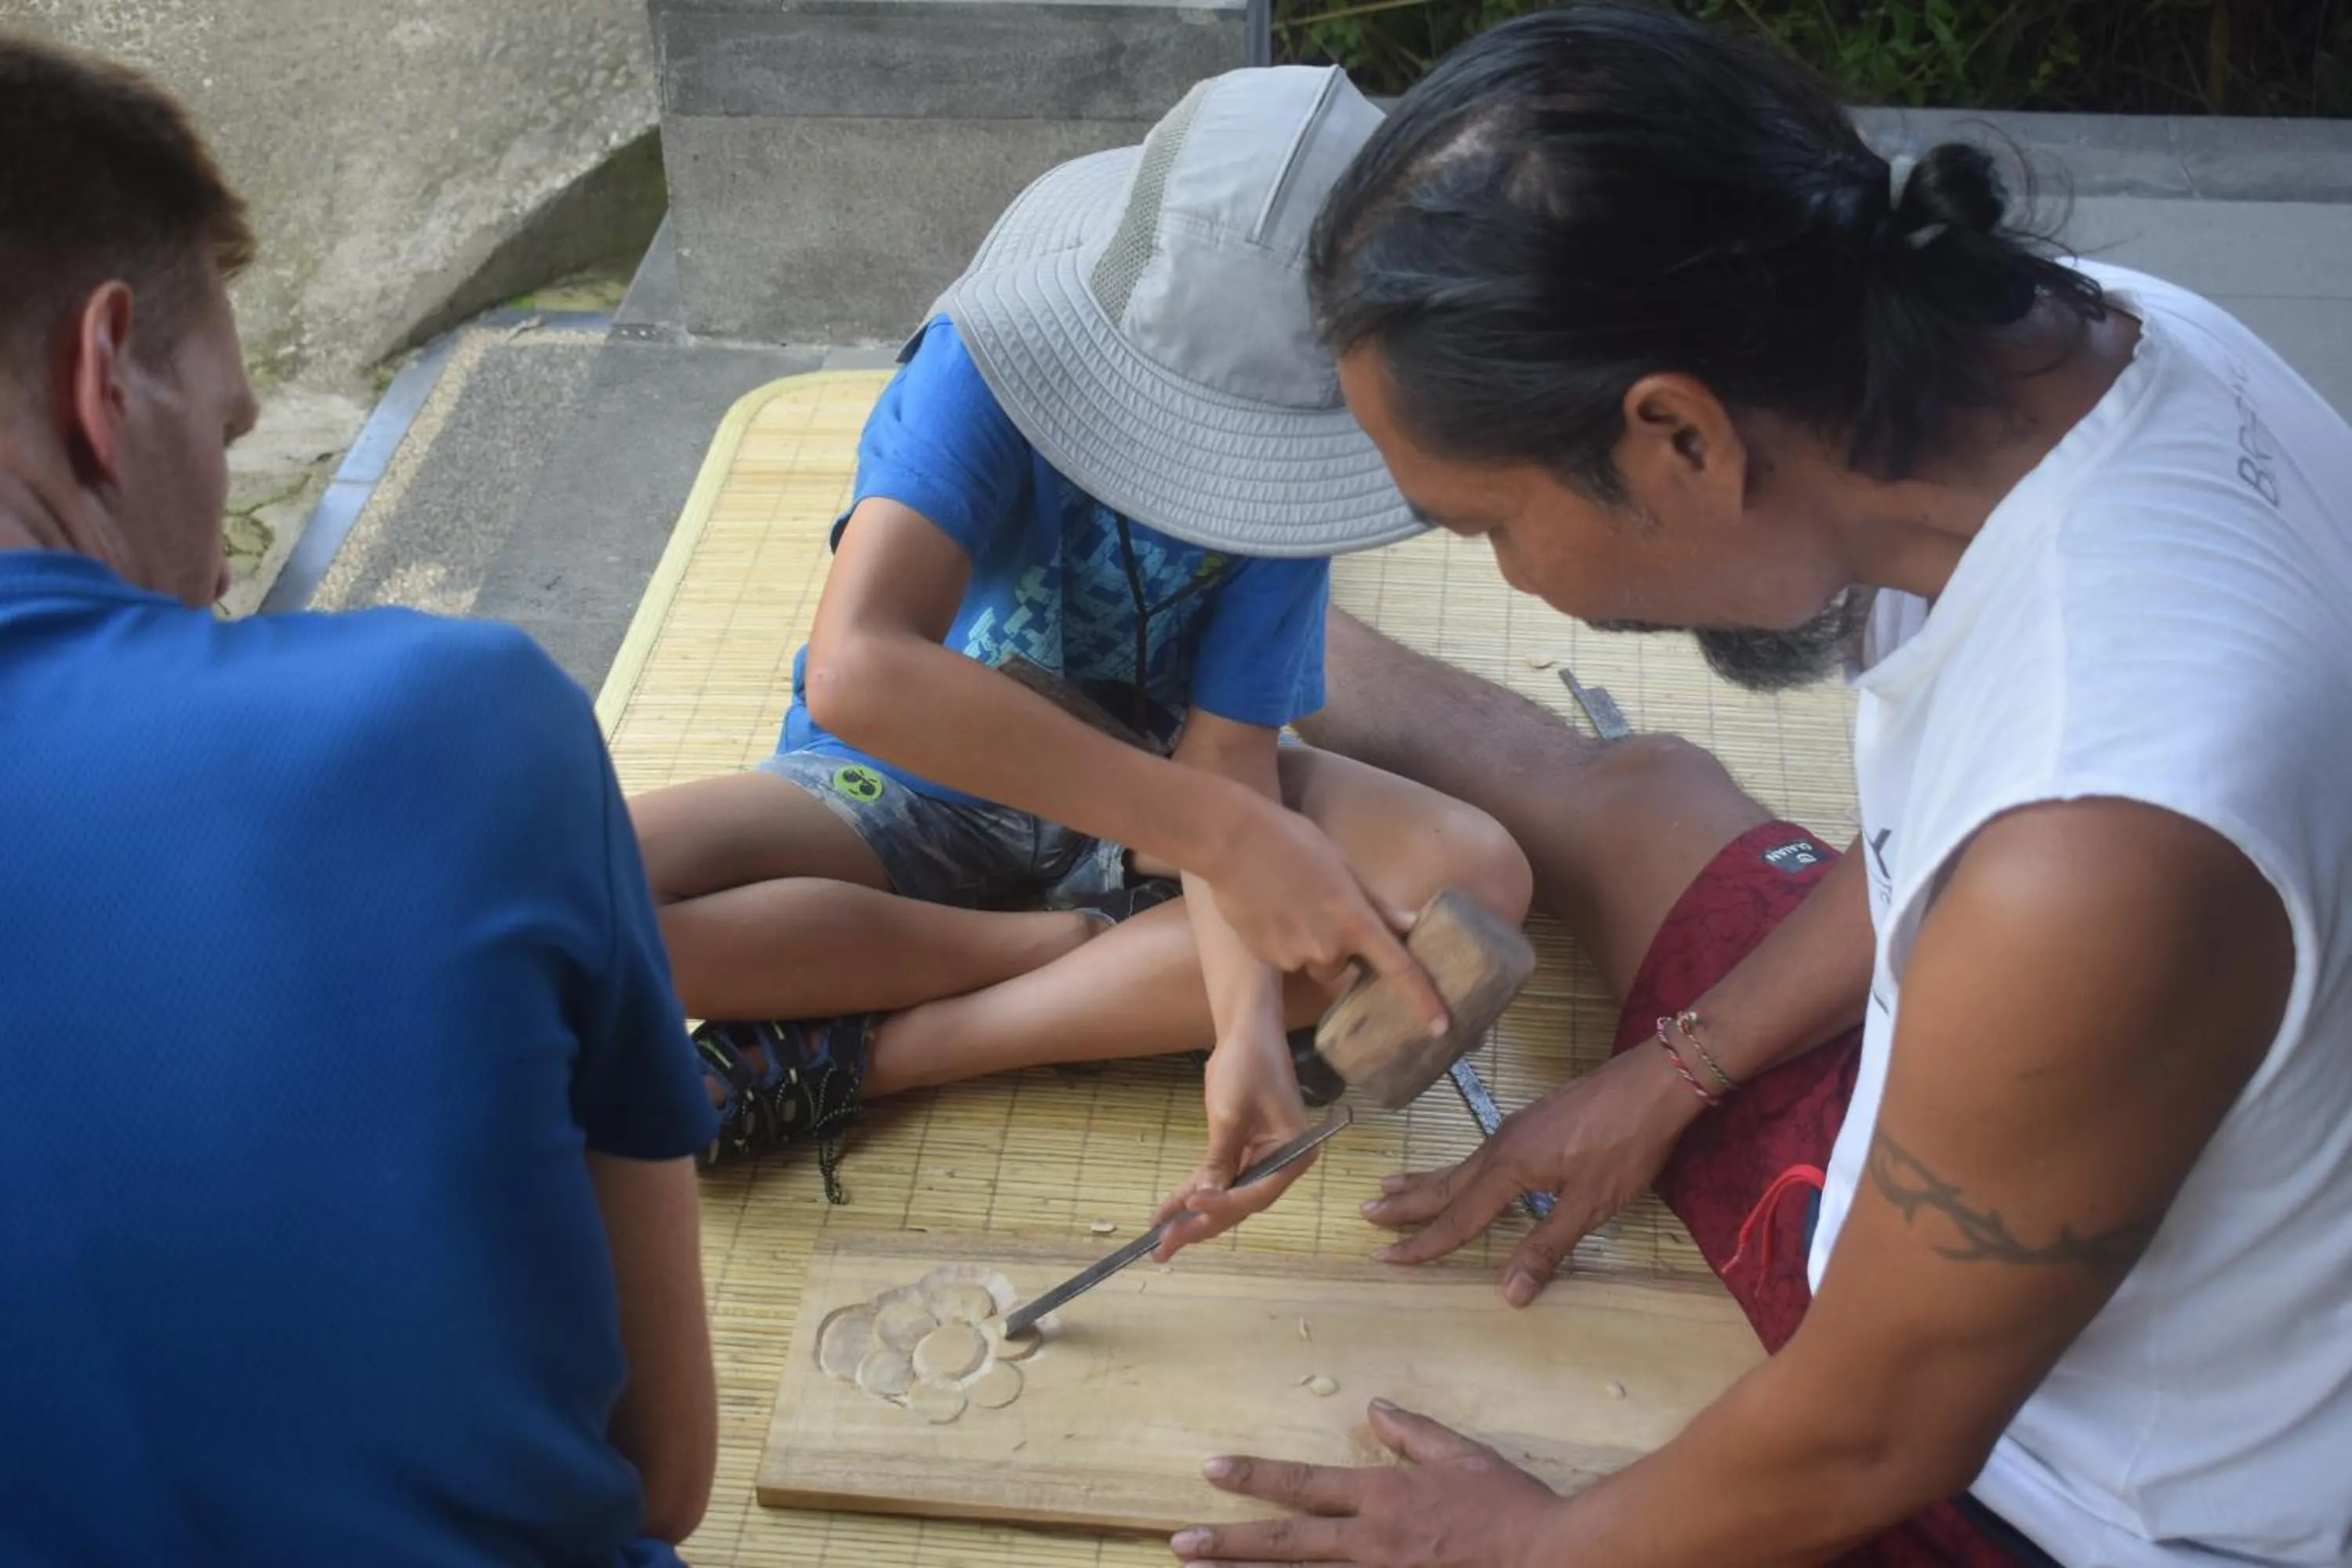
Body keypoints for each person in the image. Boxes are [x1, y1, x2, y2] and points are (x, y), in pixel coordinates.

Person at [1165, 6, 2352, 1567]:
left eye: (1483, 527)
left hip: (2071, 1490)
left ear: (1677, 435)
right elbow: (1953, 810)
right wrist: (1677, 1068)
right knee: (1642, 795)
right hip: (2033, 1132)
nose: (1514, 580)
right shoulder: (2066, 354)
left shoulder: (2100, 849)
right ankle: (1176, 659)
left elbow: (1878, 1432)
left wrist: (1522, 1547)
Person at [0, 38, 717, 1564]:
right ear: (100, 370)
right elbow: (659, 1469)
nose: (215, 563)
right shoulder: (459, 721)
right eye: (231, 425)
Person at [630, 65, 1531, 1245]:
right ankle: (1050, 957)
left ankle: (890, 1052)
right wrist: (1222, 850)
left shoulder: (1293, 464)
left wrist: (1247, 1027)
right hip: (909, 790)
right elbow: (861, 671)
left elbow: (1228, 761)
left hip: (1157, 824)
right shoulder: (989, 359)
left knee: (1468, 887)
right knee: (588, 887)